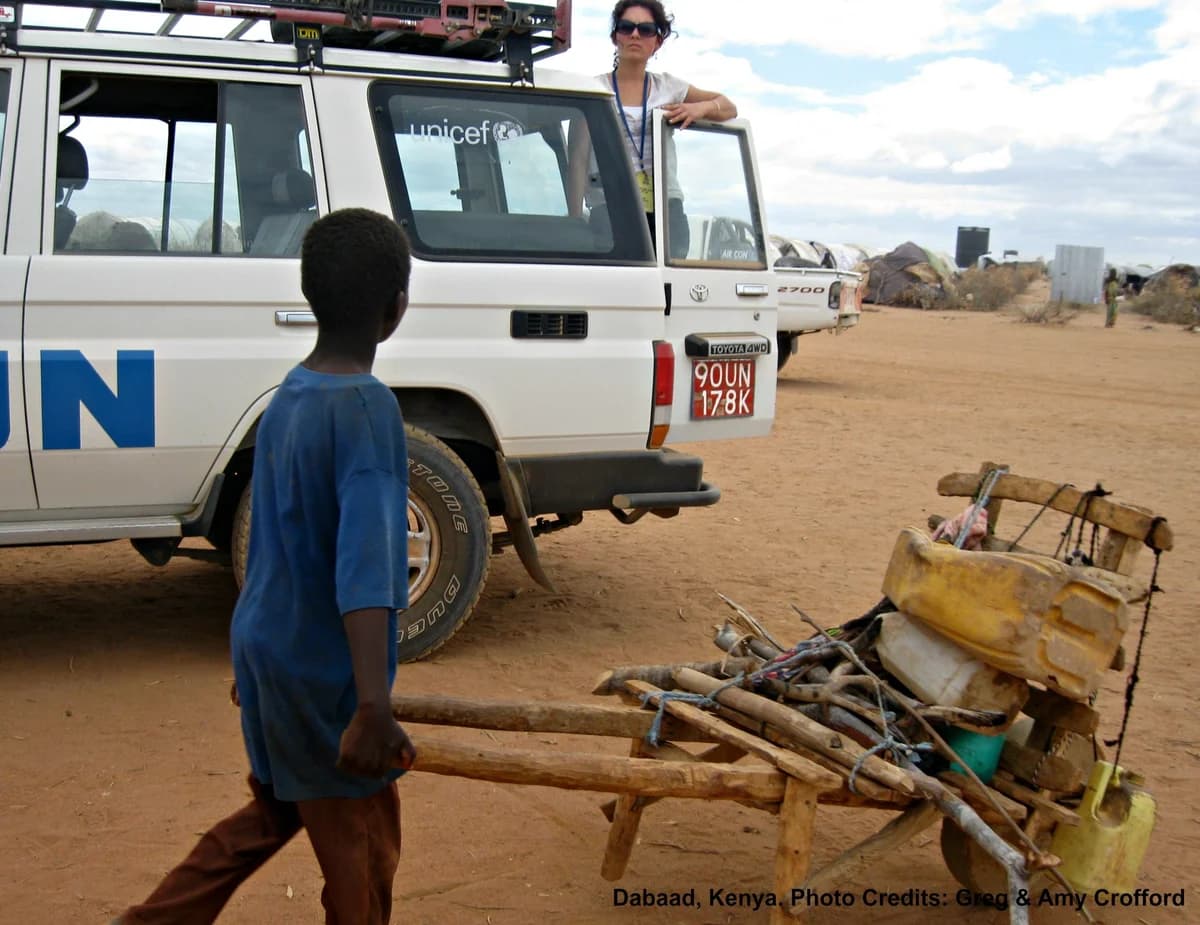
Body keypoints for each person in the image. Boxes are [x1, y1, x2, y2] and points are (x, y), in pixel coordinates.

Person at [112, 208, 417, 925]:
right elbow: (366, 567)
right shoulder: (367, 409)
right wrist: (372, 707)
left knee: (277, 809)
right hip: (321, 669)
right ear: (396, 308)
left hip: (268, 647)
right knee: (360, 845)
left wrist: (263, 668)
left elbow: (270, 537)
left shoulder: (291, 392)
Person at [569, 0, 737, 256]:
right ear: (615, 37)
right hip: (610, 206)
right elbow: (578, 159)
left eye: (646, 29)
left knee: (669, 280)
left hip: (666, 207)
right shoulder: (592, 90)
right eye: (627, 27)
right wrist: (573, 220)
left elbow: (728, 107)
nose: (635, 34)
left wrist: (699, 109)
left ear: (657, 42)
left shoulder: (669, 87)